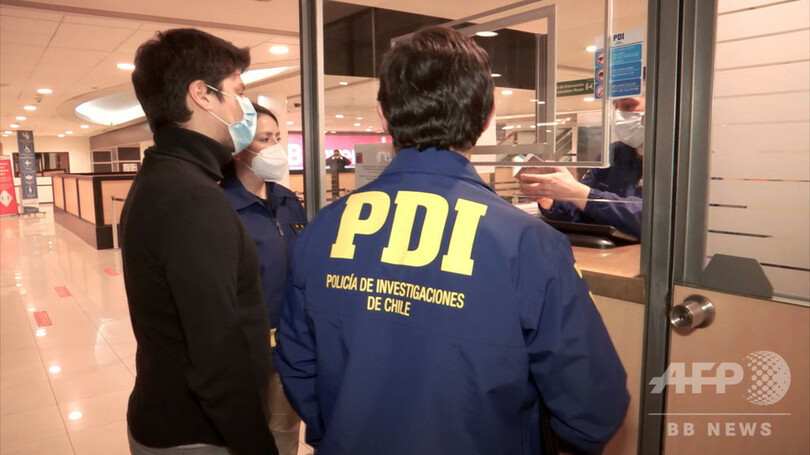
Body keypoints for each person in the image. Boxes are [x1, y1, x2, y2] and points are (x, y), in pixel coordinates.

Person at [275, 26, 629, 454]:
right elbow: (592, 406)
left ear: (382, 116)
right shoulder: (528, 244)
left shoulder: (322, 230)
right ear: (487, 117)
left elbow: (298, 365)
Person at [120, 28, 277, 454]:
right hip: (198, 435)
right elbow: (217, 356)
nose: (244, 107)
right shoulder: (192, 198)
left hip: (169, 419)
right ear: (202, 95)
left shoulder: (164, 176)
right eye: (237, 92)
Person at [221, 103, 306, 455]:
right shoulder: (221, 207)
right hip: (246, 356)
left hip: (289, 349)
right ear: (238, 148)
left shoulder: (288, 202)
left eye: (277, 138)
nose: (275, 147)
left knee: (284, 435)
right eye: (264, 139)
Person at [517, 96, 645, 238]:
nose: (619, 115)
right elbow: (580, 210)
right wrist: (549, 199)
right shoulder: (613, 154)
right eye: (615, 107)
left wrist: (578, 192)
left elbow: (650, 218)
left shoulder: (665, 160)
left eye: (628, 105)